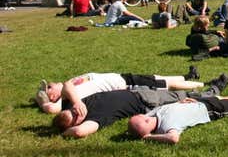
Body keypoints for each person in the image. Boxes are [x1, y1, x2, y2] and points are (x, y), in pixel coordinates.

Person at [52, 75, 228, 139]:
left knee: (173, 90)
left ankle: (206, 86)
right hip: (146, 102)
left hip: (136, 90)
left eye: (71, 111)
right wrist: (64, 132)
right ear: (76, 123)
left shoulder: (77, 103)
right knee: (184, 98)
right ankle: (215, 90)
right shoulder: (93, 119)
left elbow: (67, 84)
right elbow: (78, 133)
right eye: (75, 116)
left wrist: (76, 102)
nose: (77, 112)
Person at [127, 84, 228, 144]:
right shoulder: (167, 126)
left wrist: (180, 103)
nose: (145, 114)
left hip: (199, 102)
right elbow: (173, 138)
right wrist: (148, 137)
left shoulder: (155, 115)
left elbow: (160, 110)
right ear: (147, 125)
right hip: (212, 111)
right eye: (143, 118)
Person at [35, 69, 203, 114]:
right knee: (165, 84)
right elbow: (51, 108)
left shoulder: (71, 84)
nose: (51, 86)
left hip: (121, 77)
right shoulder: (67, 96)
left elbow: (66, 84)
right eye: (49, 90)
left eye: (49, 86)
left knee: (159, 78)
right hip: (126, 85)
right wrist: (44, 100)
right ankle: (200, 83)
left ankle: (188, 76)